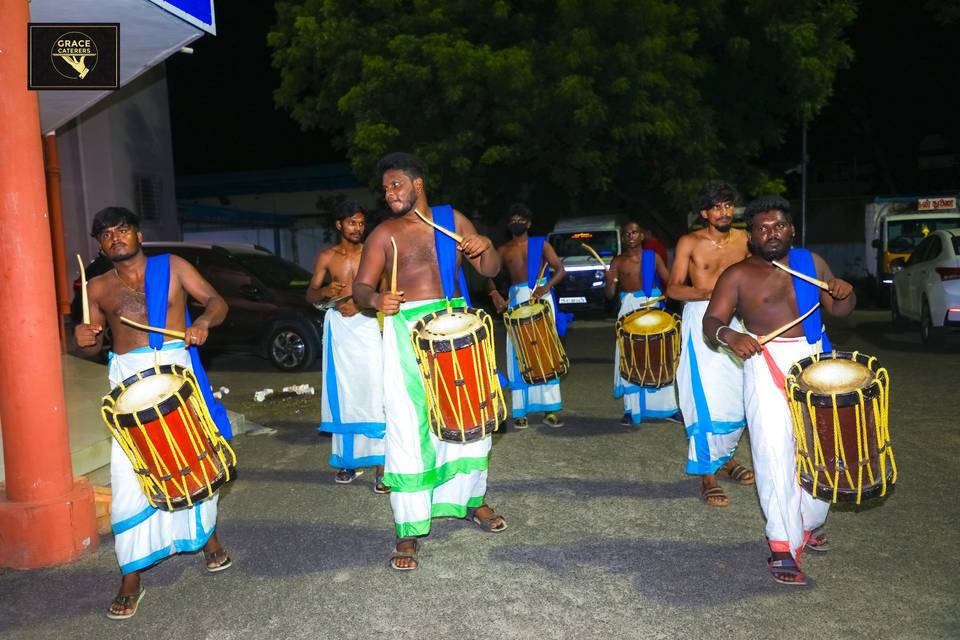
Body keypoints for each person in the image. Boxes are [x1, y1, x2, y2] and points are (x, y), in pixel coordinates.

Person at [74, 207, 232, 619]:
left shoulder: (173, 267)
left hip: (177, 370)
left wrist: (204, 323)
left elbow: (217, 302)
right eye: (105, 235)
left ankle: (206, 537)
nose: (115, 238)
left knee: (191, 457)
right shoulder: (96, 288)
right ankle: (131, 575)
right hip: (127, 381)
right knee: (129, 476)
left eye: (122, 230)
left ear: (138, 234)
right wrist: (83, 337)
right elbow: (89, 347)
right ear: (100, 245)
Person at [351, 152, 506, 571]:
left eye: (396, 184)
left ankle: (471, 501)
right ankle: (409, 527)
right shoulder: (385, 234)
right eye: (385, 188)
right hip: (406, 331)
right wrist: (376, 300)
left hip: (456, 324)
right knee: (409, 424)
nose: (390, 193)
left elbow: (491, 267)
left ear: (418, 184)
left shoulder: (451, 220)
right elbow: (360, 288)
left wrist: (485, 247)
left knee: (469, 419)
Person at [702, 195, 855, 586]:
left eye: (779, 225)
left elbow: (840, 310)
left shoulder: (811, 264)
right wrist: (729, 335)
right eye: (762, 228)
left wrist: (843, 292)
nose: (772, 232)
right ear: (751, 236)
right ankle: (782, 544)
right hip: (764, 362)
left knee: (825, 450)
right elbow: (712, 320)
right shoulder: (737, 275)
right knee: (773, 454)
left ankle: (807, 522)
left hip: (817, 364)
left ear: (792, 229)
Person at [666, 182, 755, 507]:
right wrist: (712, 294)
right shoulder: (690, 242)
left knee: (739, 396)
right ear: (704, 212)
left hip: (738, 321)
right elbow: (673, 289)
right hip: (701, 321)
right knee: (703, 398)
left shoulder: (745, 239)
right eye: (717, 207)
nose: (725, 212)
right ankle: (707, 475)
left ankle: (726, 459)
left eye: (729, 206)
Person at [307, 201, 388, 492]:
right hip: (339, 328)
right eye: (352, 222)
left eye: (362, 223)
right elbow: (311, 294)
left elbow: (386, 288)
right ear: (339, 224)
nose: (358, 228)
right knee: (344, 392)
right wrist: (326, 292)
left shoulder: (374, 252)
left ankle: (382, 466)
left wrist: (362, 305)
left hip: (369, 325)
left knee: (375, 390)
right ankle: (347, 461)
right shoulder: (328, 256)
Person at [487, 203, 567, 429]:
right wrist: (495, 294)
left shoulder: (541, 245)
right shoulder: (503, 250)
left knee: (545, 351)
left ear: (529, 223)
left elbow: (560, 270)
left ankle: (551, 410)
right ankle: (519, 411)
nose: (517, 222)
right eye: (513, 219)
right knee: (518, 353)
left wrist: (545, 287)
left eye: (521, 219)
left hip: (541, 298)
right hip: (516, 299)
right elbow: (487, 273)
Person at [604, 221, 680, 425]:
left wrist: (669, 295)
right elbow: (610, 294)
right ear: (622, 237)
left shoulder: (652, 258)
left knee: (658, 355)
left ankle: (668, 409)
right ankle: (631, 410)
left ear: (641, 236)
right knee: (629, 357)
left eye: (634, 232)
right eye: (626, 233)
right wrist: (609, 281)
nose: (630, 236)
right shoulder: (618, 262)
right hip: (628, 309)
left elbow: (670, 283)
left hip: (652, 306)